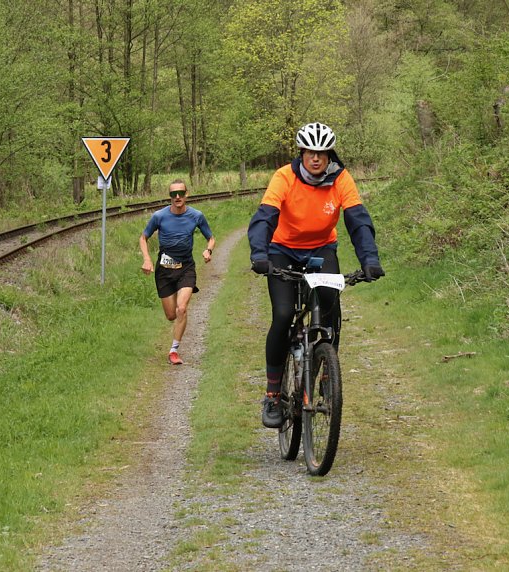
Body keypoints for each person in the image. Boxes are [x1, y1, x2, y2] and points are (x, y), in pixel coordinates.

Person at [247, 122, 384, 428]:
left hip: (321, 249)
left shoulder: (340, 179)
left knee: (329, 301)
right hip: (282, 249)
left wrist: (370, 260)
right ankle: (272, 395)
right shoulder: (284, 177)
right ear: (302, 153)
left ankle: (325, 371)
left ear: (329, 154)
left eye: (322, 153)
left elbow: (358, 221)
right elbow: (265, 217)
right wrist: (259, 254)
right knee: (283, 315)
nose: (317, 159)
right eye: (311, 152)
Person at [140, 179, 215, 365]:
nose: (177, 197)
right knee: (171, 315)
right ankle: (175, 332)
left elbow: (211, 238)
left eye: (181, 193)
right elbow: (143, 237)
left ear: (186, 194)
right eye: (173, 194)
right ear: (170, 197)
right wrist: (147, 259)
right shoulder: (159, 216)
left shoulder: (196, 216)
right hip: (164, 270)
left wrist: (208, 250)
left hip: (186, 268)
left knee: (182, 308)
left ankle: (174, 350)